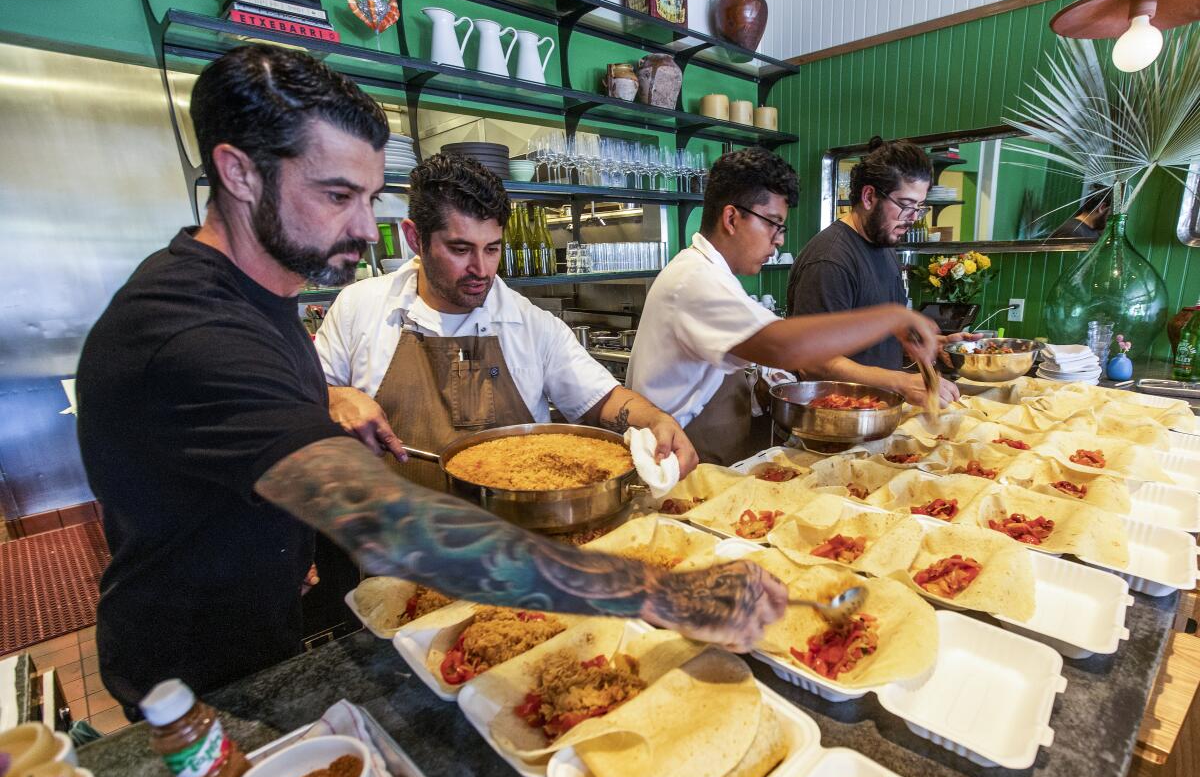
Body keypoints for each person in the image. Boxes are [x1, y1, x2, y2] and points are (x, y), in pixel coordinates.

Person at [74, 45, 785, 715]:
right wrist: (657, 591)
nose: (362, 231)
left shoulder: (258, 302)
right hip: (189, 682)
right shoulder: (188, 328)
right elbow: (391, 524)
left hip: (263, 637)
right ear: (238, 172)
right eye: (336, 195)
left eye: (369, 198)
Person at [314, 153, 698, 489]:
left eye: (492, 248)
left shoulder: (530, 324)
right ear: (415, 238)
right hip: (396, 549)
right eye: (460, 249)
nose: (481, 269)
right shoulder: (358, 308)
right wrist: (335, 397)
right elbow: (298, 400)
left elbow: (603, 399)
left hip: (516, 542)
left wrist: (654, 420)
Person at [626, 147, 942, 466]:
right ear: (732, 218)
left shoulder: (709, 273)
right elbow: (782, 345)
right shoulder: (695, 278)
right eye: (773, 224)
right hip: (671, 458)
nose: (779, 240)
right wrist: (890, 319)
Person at [785, 137, 964, 407]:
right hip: (837, 425)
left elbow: (879, 332)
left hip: (878, 416)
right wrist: (901, 382)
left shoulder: (883, 244)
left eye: (919, 207)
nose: (913, 217)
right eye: (905, 204)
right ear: (869, 197)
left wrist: (935, 343)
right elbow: (814, 364)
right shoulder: (830, 260)